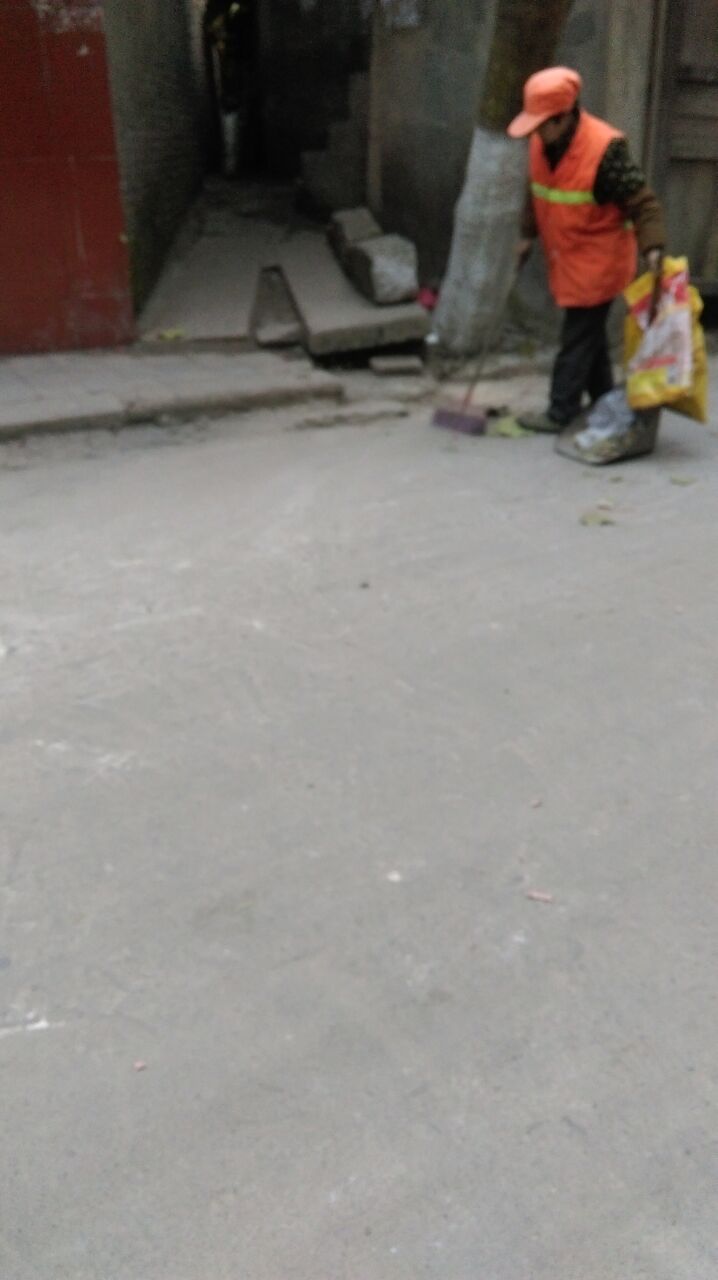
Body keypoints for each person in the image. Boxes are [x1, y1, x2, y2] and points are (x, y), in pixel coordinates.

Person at [507, 66, 666, 433]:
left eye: (541, 124)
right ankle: (604, 400)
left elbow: (643, 204)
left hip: (600, 263)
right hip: (567, 259)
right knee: (589, 338)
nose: (535, 132)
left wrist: (653, 249)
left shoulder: (605, 151)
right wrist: (526, 234)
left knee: (577, 337)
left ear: (563, 118)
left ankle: (560, 411)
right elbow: (537, 192)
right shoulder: (541, 143)